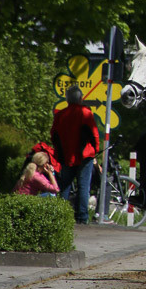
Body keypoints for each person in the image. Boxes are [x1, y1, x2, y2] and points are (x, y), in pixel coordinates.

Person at [50, 85, 101, 223]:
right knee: (84, 186)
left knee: (65, 185)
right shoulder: (85, 113)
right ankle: (82, 217)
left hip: (66, 155)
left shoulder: (60, 115)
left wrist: (58, 151)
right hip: (84, 155)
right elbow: (94, 133)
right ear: (80, 98)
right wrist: (96, 149)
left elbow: (53, 135)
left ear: (67, 100)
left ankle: (62, 216)